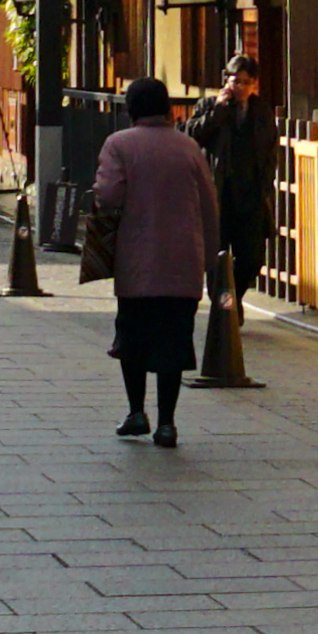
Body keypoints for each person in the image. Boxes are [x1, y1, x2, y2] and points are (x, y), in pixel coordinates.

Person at [83, 75, 213, 446]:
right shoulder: (189, 147)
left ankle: (136, 411)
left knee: (134, 337)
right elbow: (208, 202)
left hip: (136, 258)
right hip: (183, 260)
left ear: (131, 109)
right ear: (168, 107)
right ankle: (168, 422)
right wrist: (213, 259)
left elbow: (107, 196)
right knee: (174, 338)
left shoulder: (119, 144)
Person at [192, 61, 282, 345]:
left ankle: (236, 297)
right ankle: (224, 308)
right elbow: (193, 136)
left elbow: (270, 150)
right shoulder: (209, 106)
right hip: (217, 195)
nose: (240, 87)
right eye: (235, 81)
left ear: (254, 83)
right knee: (215, 258)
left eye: (246, 82)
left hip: (251, 195)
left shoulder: (261, 111)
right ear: (226, 80)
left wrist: (265, 185)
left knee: (252, 257)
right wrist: (218, 109)